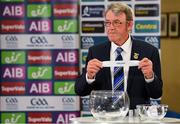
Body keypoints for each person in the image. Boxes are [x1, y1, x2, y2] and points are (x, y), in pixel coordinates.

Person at [75, 2, 163, 109]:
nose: (111, 28)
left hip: (135, 118)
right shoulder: (96, 52)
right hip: (105, 117)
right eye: (108, 23)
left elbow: (157, 93)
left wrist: (150, 76)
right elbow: (80, 90)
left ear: (129, 25)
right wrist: (89, 76)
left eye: (116, 22)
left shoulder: (149, 51)